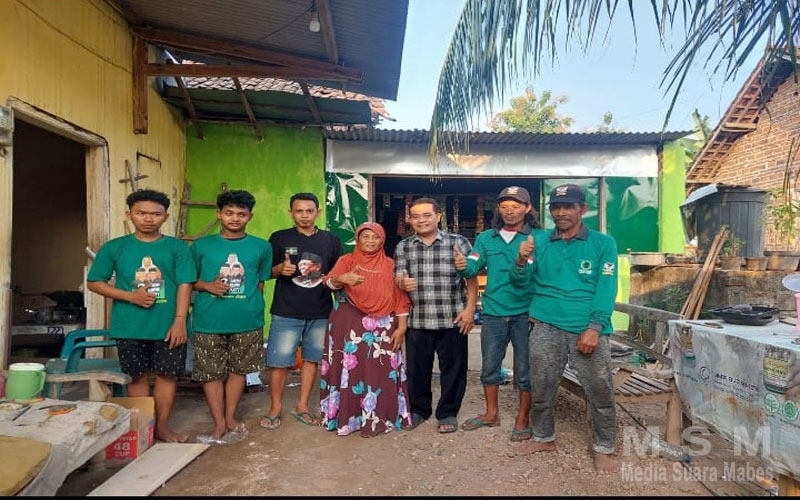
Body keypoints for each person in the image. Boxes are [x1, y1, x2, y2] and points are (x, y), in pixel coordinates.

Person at [510, 183, 620, 473]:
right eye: (556, 207)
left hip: (586, 328)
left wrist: (595, 327)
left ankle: (604, 447)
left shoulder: (603, 243)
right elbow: (519, 283)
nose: (561, 213)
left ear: (583, 209)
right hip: (545, 325)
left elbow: (607, 287)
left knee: (600, 390)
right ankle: (543, 437)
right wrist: (520, 259)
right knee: (542, 386)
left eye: (568, 206)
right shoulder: (538, 240)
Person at [87, 189, 196, 443]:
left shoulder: (177, 248)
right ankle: (143, 429)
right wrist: (130, 296)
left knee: (167, 376)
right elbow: (94, 282)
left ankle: (163, 428)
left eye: (156, 214)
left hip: (168, 326)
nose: (148, 219)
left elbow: (185, 284)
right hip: (130, 326)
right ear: (129, 214)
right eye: (141, 213)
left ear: (165, 216)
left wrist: (180, 321)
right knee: (137, 378)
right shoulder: (115, 247)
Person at [457, 186, 542, 441]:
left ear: (527, 208)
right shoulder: (486, 238)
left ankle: (523, 418)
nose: (509, 211)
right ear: (498, 209)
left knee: (525, 369)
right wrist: (463, 265)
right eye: (504, 206)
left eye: (515, 206)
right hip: (493, 312)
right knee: (489, 366)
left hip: (527, 313)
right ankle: (491, 413)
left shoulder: (539, 238)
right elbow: (473, 267)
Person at [190, 190, 273, 444]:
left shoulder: (262, 247)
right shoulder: (200, 246)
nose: (235, 218)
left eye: (241, 214)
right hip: (208, 320)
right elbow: (189, 281)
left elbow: (260, 283)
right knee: (211, 373)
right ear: (219, 214)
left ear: (250, 216)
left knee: (239, 370)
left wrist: (253, 308)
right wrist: (208, 286)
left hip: (247, 320)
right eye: (229, 213)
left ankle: (230, 418)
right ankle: (218, 423)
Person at [394, 197, 478, 434]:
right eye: (416, 216)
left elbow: (471, 278)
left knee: (454, 370)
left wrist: (470, 309)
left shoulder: (458, 242)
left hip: (452, 318)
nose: (421, 220)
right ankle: (419, 410)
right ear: (410, 220)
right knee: (417, 370)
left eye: (426, 215)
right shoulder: (404, 246)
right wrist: (402, 282)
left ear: (438, 217)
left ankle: (448, 412)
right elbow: (398, 277)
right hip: (418, 319)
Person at [320, 222, 412, 437]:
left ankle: (381, 417)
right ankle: (348, 419)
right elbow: (327, 283)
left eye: (376, 237)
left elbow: (400, 298)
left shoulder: (391, 265)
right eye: (365, 236)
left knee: (380, 370)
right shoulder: (347, 261)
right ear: (358, 239)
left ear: (383, 240)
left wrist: (401, 328)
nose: (370, 241)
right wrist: (342, 279)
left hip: (382, 326)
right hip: (347, 326)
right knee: (349, 369)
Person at [261, 193, 342, 429]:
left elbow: (337, 274)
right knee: (279, 362)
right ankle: (275, 408)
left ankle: (302, 406)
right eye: (299, 211)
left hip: (320, 311)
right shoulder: (279, 238)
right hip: (286, 311)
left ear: (318, 212)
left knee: (311, 360)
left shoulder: (330, 240)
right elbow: (266, 272)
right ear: (291, 213)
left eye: (309, 211)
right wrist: (279, 269)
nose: (304, 215)